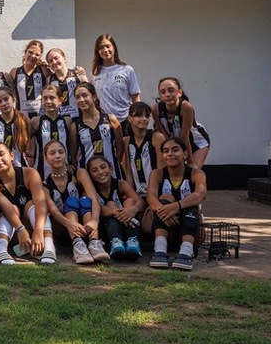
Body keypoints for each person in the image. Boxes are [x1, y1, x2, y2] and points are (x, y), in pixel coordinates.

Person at [0, 143, 56, 265]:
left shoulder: (30, 174)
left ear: (12, 156)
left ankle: (49, 246)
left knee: (32, 204)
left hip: (31, 230)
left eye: (1, 154)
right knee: (13, 208)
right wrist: (20, 229)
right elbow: (4, 204)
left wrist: (38, 230)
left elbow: (41, 202)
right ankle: (0, 249)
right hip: (5, 230)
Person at [41, 140, 110, 264]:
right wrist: (69, 224)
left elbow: (93, 198)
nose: (57, 156)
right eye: (52, 153)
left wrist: (95, 220)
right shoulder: (45, 185)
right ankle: (77, 245)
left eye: (61, 152)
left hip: (86, 224)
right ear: (46, 158)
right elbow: (53, 211)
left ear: (65, 155)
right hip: (63, 226)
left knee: (84, 200)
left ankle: (94, 242)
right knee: (71, 201)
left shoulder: (79, 173)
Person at [147, 137, 208, 271]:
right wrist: (165, 211)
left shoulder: (196, 173)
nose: (170, 154)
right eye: (166, 151)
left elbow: (201, 194)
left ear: (185, 154)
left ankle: (186, 253)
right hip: (166, 225)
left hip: (190, 227)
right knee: (163, 200)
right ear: (162, 156)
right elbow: (151, 197)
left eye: (175, 150)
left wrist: (176, 206)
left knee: (191, 203)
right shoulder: (157, 174)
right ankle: (160, 250)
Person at [87, 156, 144, 261]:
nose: (100, 172)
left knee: (130, 202)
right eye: (94, 170)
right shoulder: (91, 189)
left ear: (111, 168)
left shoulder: (121, 184)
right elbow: (100, 209)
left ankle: (132, 240)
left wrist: (132, 210)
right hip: (107, 227)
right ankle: (116, 241)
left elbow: (140, 201)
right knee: (111, 204)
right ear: (90, 175)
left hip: (127, 223)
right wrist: (115, 212)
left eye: (103, 167)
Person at [124, 101, 165, 234]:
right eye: (139, 116)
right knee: (128, 207)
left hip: (154, 192)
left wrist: (153, 196)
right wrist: (134, 197)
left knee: (147, 228)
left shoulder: (156, 137)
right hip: (138, 194)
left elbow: (161, 170)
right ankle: (131, 239)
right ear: (130, 118)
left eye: (147, 116)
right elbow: (128, 172)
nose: (144, 119)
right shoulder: (126, 141)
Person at [152, 77, 210, 169]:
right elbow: (163, 136)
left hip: (195, 141)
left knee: (191, 172)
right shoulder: (155, 110)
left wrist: (190, 162)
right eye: (163, 92)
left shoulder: (186, 107)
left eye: (171, 90)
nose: (167, 94)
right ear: (160, 95)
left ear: (179, 92)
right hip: (174, 141)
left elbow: (184, 136)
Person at [70, 82, 125, 179]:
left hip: (112, 175)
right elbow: (73, 157)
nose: (81, 100)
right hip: (88, 177)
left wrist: (110, 165)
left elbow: (120, 149)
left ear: (94, 96)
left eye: (84, 95)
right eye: (77, 97)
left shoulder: (111, 120)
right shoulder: (75, 126)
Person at [89, 34, 140, 134]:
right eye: (101, 47)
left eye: (108, 46)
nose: (105, 50)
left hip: (125, 120)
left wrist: (135, 119)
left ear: (114, 48)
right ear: (98, 52)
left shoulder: (127, 70)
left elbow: (135, 97)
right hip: (105, 121)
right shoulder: (94, 73)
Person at [28, 84, 73, 179]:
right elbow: (28, 148)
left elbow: (72, 148)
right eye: (45, 98)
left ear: (60, 100)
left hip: (65, 171)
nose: (48, 101)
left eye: (52, 98)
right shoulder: (35, 121)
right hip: (41, 171)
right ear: (41, 101)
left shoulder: (67, 121)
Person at [0, 86, 31, 167]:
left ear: (13, 99)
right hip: (0, 168)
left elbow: (30, 147)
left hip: (21, 167)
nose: (4, 103)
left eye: (6, 99)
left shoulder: (24, 120)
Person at [8, 40, 46, 120]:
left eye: (37, 54)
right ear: (25, 52)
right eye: (30, 52)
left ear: (40, 57)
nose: (33, 56)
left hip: (41, 117)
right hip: (21, 117)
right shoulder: (14, 72)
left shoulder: (44, 71)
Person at [45, 47, 88, 118]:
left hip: (79, 120)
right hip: (59, 121)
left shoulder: (78, 74)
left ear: (64, 58)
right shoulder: (49, 80)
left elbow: (89, 95)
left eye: (56, 58)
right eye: (50, 61)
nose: (54, 62)